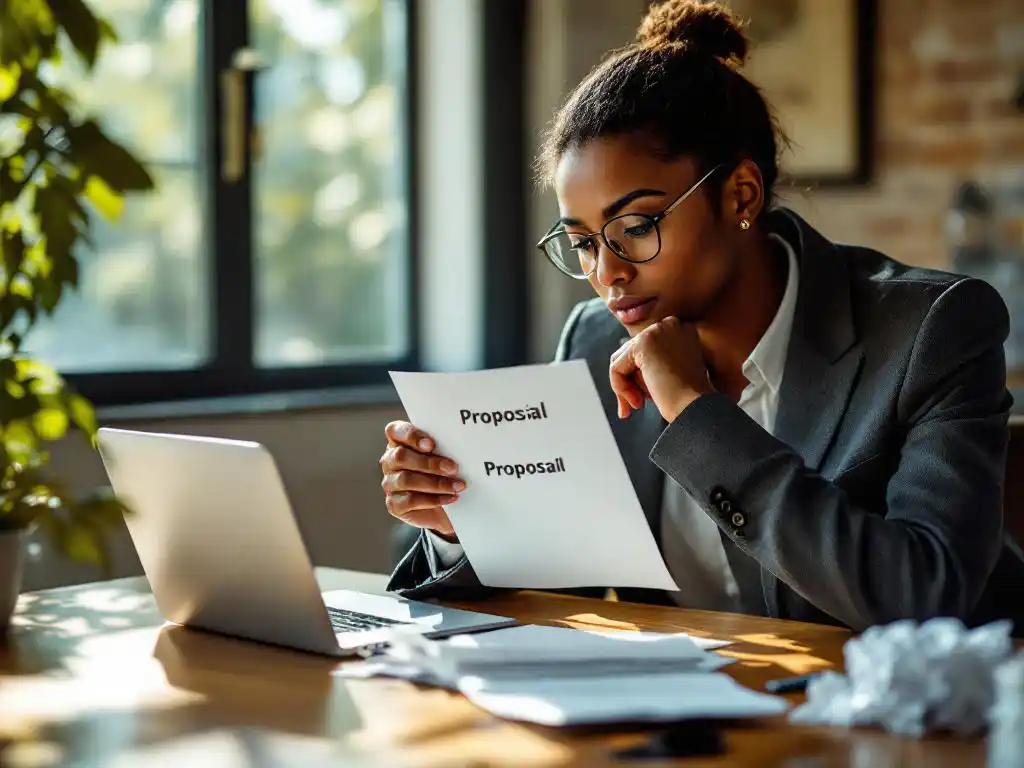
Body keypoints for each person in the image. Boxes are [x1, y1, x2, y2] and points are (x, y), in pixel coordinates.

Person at [378, 0, 1024, 632]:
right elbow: (560, 581)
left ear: (740, 194)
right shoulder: (595, 338)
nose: (607, 272)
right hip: (690, 721)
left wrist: (695, 413)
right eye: (581, 241)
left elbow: (928, 596)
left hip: (918, 717)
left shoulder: (931, 328)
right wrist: (465, 528)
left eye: (635, 226)